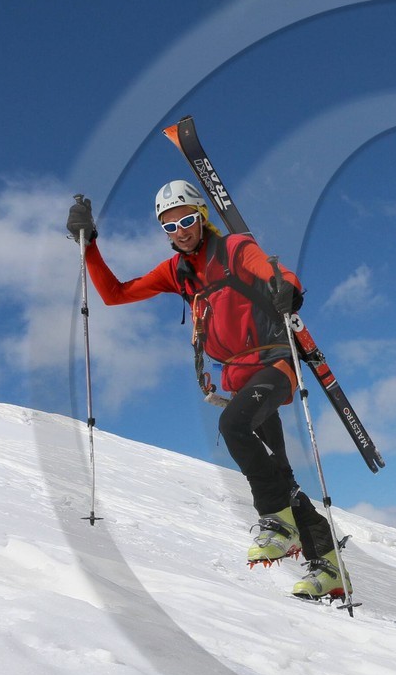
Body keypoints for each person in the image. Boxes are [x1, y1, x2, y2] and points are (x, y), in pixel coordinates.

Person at [66, 184, 347, 601]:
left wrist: (287, 288)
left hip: (275, 364)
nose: (180, 231)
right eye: (169, 225)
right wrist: (89, 246)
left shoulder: (234, 248)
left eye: (186, 220)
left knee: (233, 426)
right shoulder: (176, 271)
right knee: (279, 474)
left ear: (202, 216)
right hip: (238, 378)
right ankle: (327, 566)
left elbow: (277, 273)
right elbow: (115, 294)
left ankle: (276, 521)